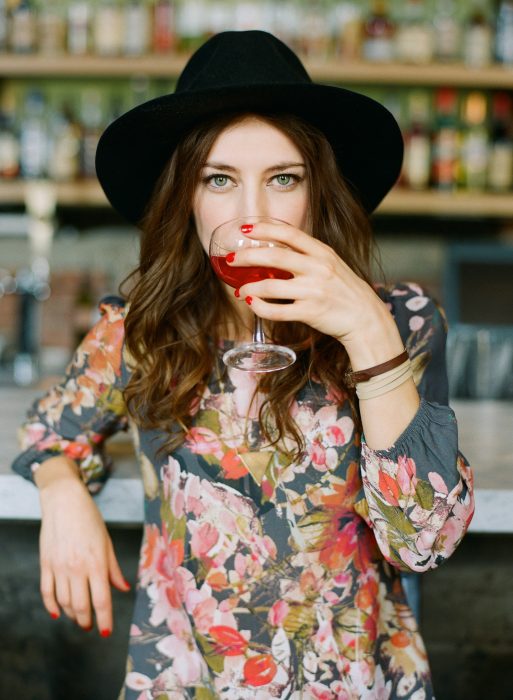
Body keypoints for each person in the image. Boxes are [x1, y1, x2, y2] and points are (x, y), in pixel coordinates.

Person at [12, 30, 474, 700]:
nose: (252, 216)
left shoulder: (400, 321)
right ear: (186, 199)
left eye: (282, 179)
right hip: (188, 683)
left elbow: (421, 542)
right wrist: (60, 490)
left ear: (317, 195)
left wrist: (369, 334)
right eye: (219, 181)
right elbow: (48, 431)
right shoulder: (141, 329)